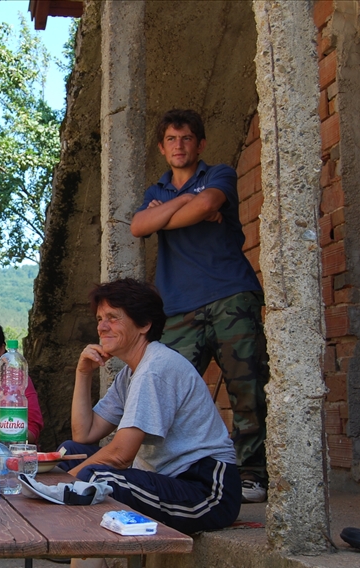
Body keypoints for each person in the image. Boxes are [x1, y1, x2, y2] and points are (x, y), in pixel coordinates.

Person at [35, 277, 240, 568]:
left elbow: (119, 455)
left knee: (93, 479)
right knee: (72, 453)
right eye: (100, 318)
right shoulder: (131, 372)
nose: (102, 326)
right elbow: (86, 434)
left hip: (207, 490)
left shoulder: (156, 369)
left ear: (144, 324)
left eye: (113, 317)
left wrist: (58, 487)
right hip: (171, 482)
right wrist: (82, 374)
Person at [130, 108, 269, 503]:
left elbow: (209, 204)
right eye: (172, 139)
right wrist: (182, 204)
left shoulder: (218, 173)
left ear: (200, 144)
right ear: (162, 147)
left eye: (187, 138)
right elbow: (139, 226)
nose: (179, 145)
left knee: (247, 386)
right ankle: (177, 471)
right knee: (167, 391)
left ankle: (253, 475)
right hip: (177, 307)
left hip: (230, 295)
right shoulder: (154, 190)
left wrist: (166, 213)